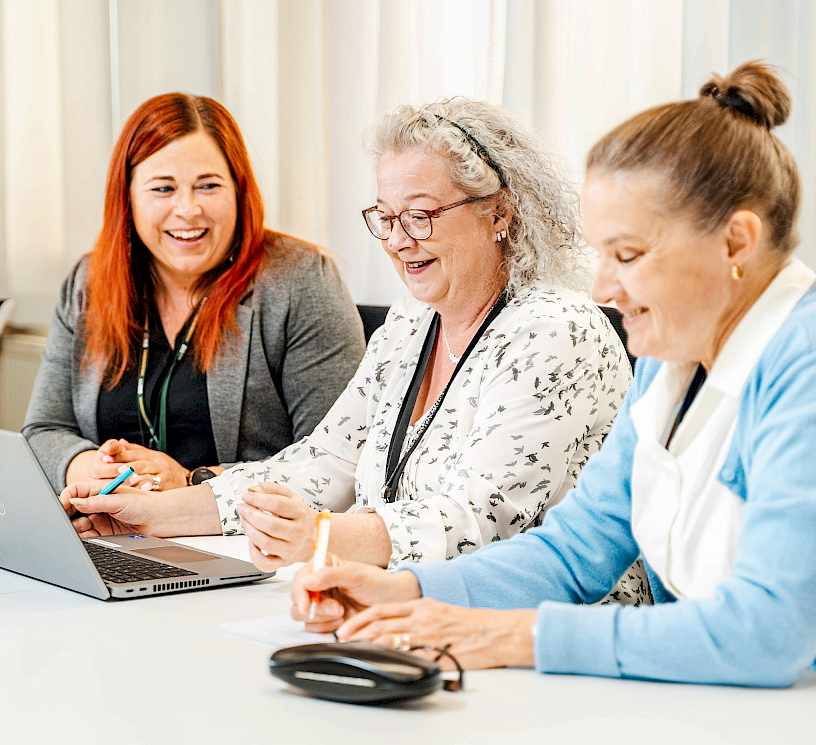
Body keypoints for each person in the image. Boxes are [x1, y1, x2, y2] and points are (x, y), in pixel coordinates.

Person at [289, 62, 816, 689]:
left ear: (736, 242)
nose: (603, 287)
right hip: (715, 705)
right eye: (601, 255)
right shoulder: (673, 356)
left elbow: (766, 633)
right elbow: (575, 550)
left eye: (627, 255)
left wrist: (515, 638)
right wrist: (406, 590)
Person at [62, 98, 646, 596]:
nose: (397, 241)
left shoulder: (557, 331)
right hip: (406, 612)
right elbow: (324, 463)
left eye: (419, 216)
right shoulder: (412, 322)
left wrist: (320, 536)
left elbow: (480, 519)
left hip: (541, 632)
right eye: (385, 218)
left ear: (499, 212)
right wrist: (151, 515)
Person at [23, 93, 364, 494]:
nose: (187, 209)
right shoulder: (88, 284)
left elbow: (337, 460)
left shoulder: (300, 280)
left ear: (238, 190)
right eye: (163, 188)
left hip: (242, 540)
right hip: (114, 534)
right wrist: (88, 470)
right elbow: (43, 430)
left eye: (208, 186)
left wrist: (193, 482)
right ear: (127, 197)